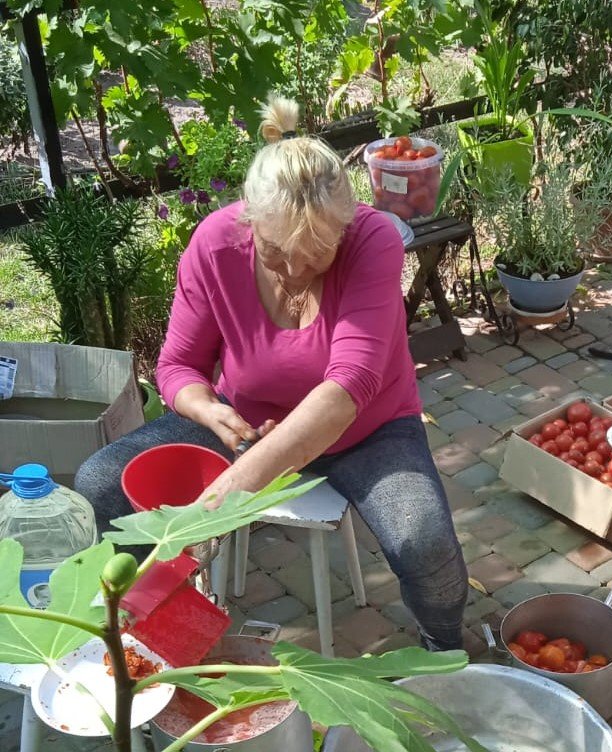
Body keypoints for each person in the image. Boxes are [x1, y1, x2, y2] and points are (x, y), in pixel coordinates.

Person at [75, 95, 468, 651]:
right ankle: (150, 633)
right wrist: (208, 409)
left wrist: (215, 504)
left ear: (346, 228)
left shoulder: (373, 240)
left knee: (423, 539)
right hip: (248, 424)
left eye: (317, 255)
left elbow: (345, 392)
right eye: (278, 252)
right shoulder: (215, 243)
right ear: (249, 220)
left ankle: (447, 650)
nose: (297, 271)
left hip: (367, 432)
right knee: (100, 480)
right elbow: (177, 366)